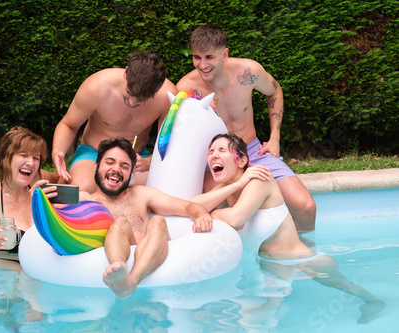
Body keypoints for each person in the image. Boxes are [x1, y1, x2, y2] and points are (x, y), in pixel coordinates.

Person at [191, 133, 385, 323]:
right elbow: (190, 205)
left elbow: (235, 218)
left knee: (345, 288)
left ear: (241, 160)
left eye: (222, 150)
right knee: (259, 318)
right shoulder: (230, 188)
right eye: (211, 151)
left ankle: (374, 302)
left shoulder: (260, 178)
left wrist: (209, 213)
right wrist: (231, 189)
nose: (214, 155)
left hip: (306, 262)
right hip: (273, 266)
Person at [177, 23, 316, 232]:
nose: (202, 64)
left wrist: (275, 137)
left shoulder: (247, 72)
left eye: (209, 57)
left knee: (306, 207)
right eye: (197, 57)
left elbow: (275, 91)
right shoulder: (187, 88)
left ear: (224, 54)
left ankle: (300, 252)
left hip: (253, 151)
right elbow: (180, 133)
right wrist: (200, 114)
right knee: (210, 212)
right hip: (215, 160)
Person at [79, 138, 213, 298]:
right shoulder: (86, 200)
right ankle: (119, 268)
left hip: (154, 263)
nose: (116, 169)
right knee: (120, 222)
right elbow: (54, 208)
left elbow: (187, 206)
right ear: (96, 166)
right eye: (110, 162)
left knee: (158, 221)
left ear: (131, 173)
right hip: (116, 261)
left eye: (124, 166)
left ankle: (131, 280)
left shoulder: (142, 195)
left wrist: (202, 214)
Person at [52, 52, 179, 193]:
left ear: (157, 89)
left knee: (157, 192)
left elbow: (169, 142)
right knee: (82, 190)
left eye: (142, 99)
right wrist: (58, 150)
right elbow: (69, 125)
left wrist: (148, 162)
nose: (132, 102)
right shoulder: (97, 86)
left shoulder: (167, 97)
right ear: (125, 73)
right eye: (129, 93)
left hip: (135, 159)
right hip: (94, 153)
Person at [0, 126, 58, 258]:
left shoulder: (39, 187)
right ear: (5, 158)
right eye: (23, 155)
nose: (31, 163)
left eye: (36, 158)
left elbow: (61, 177)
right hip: (10, 273)